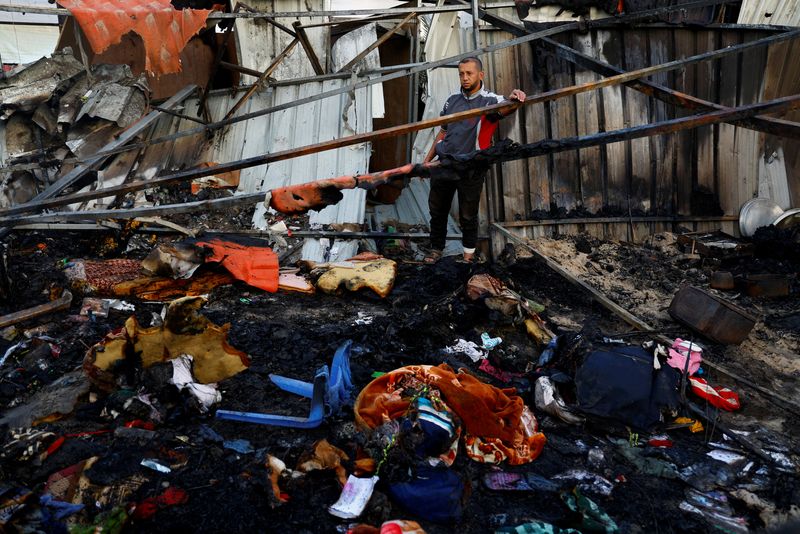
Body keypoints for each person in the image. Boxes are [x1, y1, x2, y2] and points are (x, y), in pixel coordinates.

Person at [423, 56, 526, 263]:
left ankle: (468, 256)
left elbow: (508, 106)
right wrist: (427, 160)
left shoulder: (490, 100)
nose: (465, 78)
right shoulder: (452, 100)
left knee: (468, 215)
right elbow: (443, 132)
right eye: (461, 73)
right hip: (444, 164)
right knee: (437, 210)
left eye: (469, 73)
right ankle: (436, 250)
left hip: (472, 167)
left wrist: (516, 98)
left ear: (481, 75)